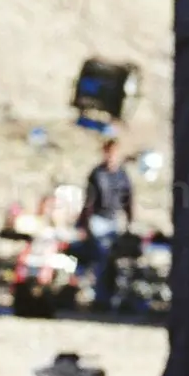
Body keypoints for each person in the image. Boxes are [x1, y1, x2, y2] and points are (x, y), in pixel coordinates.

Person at [77, 132, 137, 309]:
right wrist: (85, 224)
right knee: (102, 256)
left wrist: (130, 221)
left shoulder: (122, 175)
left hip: (113, 219)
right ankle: (101, 298)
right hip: (98, 219)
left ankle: (113, 296)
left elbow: (128, 198)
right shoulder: (97, 174)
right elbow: (89, 201)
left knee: (115, 258)